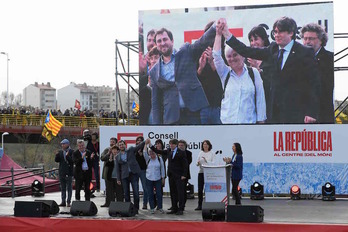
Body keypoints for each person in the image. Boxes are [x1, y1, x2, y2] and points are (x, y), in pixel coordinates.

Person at [217, 17, 320, 124]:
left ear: (290, 33)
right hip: (275, 114)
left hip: (296, 112)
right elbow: (247, 51)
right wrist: (227, 34)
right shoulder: (273, 49)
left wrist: (311, 112)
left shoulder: (304, 52)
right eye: (275, 32)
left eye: (280, 32)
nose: (276, 35)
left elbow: (313, 84)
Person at [149, 26, 216, 125]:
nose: (162, 43)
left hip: (194, 112)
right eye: (159, 41)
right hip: (172, 117)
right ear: (156, 45)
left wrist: (214, 27)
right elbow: (156, 103)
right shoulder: (154, 71)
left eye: (165, 39)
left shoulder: (185, 52)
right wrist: (156, 127)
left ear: (172, 41)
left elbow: (202, 42)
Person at [213, 26, 267, 124]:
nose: (232, 58)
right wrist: (218, 34)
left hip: (248, 125)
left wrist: (261, 122)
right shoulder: (225, 73)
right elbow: (216, 56)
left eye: (235, 55)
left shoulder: (253, 73)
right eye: (229, 56)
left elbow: (260, 99)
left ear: (242, 55)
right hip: (227, 125)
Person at [301, 23, 334, 123]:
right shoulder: (299, 60)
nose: (307, 42)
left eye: (311, 38)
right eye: (305, 38)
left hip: (322, 115)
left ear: (321, 40)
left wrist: (313, 112)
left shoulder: (330, 59)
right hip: (302, 116)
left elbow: (326, 88)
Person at [150, 139, 188, 215]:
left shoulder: (181, 152)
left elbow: (185, 164)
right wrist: (150, 145)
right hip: (171, 175)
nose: (171, 145)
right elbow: (158, 151)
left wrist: (184, 174)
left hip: (179, 176)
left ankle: (180, 209)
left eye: (173, 144)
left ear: (176, 145)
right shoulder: (168, 151)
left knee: (180, 192)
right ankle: (174, 208)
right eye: (170, 144)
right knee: (173, 192)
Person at [197, 21, 224, 124]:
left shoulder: (225, 54)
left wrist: (213, 63)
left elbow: (225, 80)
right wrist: (200, 68)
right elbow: (195, 82)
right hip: (204, 107)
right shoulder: (200, 54)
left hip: (219, 106)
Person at [247, 26, 273, 121]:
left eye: (256, 39)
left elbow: (270, 83)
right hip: (251, 105)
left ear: (264, 40)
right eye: (251, 40)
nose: (253, 43)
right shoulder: (247, 59)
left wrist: (257, 69)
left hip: (268, 104)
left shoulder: (271, 58)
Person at [114, 140, 144, 212]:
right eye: (120, 145)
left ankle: (136, 209)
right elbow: (117, 169)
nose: (121, 146)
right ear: (118, 147)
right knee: (126, 193)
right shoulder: (117, 157)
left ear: (125, 145)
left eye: (122, 144)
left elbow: (138, 147)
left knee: (136, 192)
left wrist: (145, 142)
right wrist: (118, 179)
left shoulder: (130, 150)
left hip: (134, 174)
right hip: (124, 176)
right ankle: (128, 208)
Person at [143, 139, 165, 214]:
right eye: (150, 152)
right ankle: (152, 208)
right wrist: (146, 144)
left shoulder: (159, 159)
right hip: (149, 179)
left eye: (153, 152)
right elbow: (144, 152)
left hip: (158, 179)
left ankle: (160, 207)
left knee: (159, 193)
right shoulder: (147, 159)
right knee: (150, 194)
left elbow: (162, 168)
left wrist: (163, 178)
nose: (151, 153)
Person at [100, 137, 123, 207]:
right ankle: (108, 203)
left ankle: (119, 204)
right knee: (109, 190)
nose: (111, 143)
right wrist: (108, 153)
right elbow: (102, 158)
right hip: (108, 174)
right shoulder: (107, 150)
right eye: (111, 141)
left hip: (117, 175)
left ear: (116, 143)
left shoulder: (119, 151)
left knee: (119, 190)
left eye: (113, 141)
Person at [195, 140, 215, 210]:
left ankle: (208, 204)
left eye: (206, 144)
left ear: (209, 145)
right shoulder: (200, 153)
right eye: (204, 144)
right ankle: (199, 204)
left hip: (209, 173)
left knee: (208, 190)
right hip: (201, 172)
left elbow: (213, 163)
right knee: (200, 189)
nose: (205, 146)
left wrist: (206, 160)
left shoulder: (212, 153)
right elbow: (196, 162)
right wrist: (198, 163)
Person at [55, 139, 74, 207]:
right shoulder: (60, 152)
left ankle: (68, 201)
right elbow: (57, 160)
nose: (62, 145)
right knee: (62, 187)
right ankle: (63, 201)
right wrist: (57, 155)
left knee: (69, 187)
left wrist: (67, 156)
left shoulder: (72, 152)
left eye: (64, 144)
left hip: (69, 172)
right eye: (62, 144)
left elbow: (72, 161)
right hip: (62, 172)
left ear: (67, 144)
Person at [134, 136, 149, 210]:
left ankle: (145, 203)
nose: (139, 142)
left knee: (145, 188)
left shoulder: (145, 149)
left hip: (143, 170)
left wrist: (142, 154)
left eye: (141, 140)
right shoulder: (134, 150)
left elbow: (147, 160)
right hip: (135, 171)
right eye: (138, 140)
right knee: (135, 188)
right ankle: (136, 205)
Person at [178, 139, 192, 209]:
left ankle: (182, 205)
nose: (180, 146)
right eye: (179, 145)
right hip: (176, 174)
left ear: (185, 146)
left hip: (184, 174)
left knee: (183, 190)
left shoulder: (189, 153)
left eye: (182, 145)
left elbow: (187, 163)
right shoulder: (175, 152)